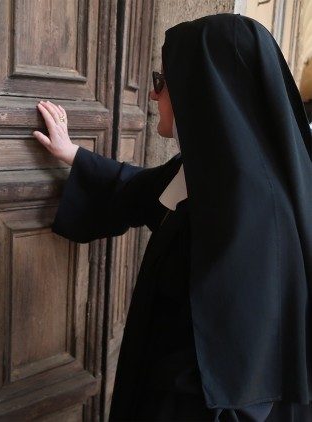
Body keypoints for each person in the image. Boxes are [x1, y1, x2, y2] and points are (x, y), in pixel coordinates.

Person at [32, 14, 312, 422]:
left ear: (203, 91)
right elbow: (137, 190)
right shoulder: (209, 174)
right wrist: (72, 153)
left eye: (162, 81)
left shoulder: (258, 213)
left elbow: (243, 388)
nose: (151, 94)